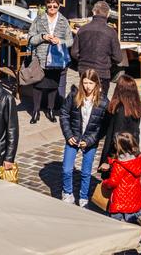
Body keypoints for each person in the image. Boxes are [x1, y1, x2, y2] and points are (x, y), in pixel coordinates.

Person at [59, 69, 109, 207]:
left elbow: (103, 126)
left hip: (89, 141)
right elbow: (64, 114)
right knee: (67, 169)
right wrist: (68, 135)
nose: (87, 86)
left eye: (90, 83)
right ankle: (67, 192)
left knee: (86, 172)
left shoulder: (103, 101)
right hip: (74, 137)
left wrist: (90, 140)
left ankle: (83, 196)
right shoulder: (75, 95)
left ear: (96, 84)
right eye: (85, 82)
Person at [27, 0, 73, 124]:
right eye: (49, 6)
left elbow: (70, 41)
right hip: (40, 58)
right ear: (46, 6)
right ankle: (35, 111)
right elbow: (30, 38)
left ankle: (50, 110)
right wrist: (42, 37)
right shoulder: (39, 19)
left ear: (59, 6)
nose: (52, 8)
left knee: (53, 84)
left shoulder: (64, 21)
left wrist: (60, 41)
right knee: (37, 84)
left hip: (56, 58)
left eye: (55, 6)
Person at [73, 1, 123, 95]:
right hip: (102, 72)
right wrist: (107, 61)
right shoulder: (111, 32)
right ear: (107, 14)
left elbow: (74, 53)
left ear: (93, 12)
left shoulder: (83, 29)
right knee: (100, 102)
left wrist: (83, 59)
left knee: (85, 98)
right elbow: (118, 58)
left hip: (84, 71)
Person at [100, 75, 141, 174]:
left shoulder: (120, 110)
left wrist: (108, 160)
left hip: (118, 155)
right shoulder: (135, 108)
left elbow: (116, 136)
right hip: (131, 152)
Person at [102, 132, 141, 224]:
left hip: (120, 203)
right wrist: (111, 165)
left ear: (119, 147)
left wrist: (105, 182)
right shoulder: (138, 159)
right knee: (136, 229)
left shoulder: (119, 165)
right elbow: (127, 171)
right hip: (136, 201)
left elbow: (113, 182)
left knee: (117, 230)